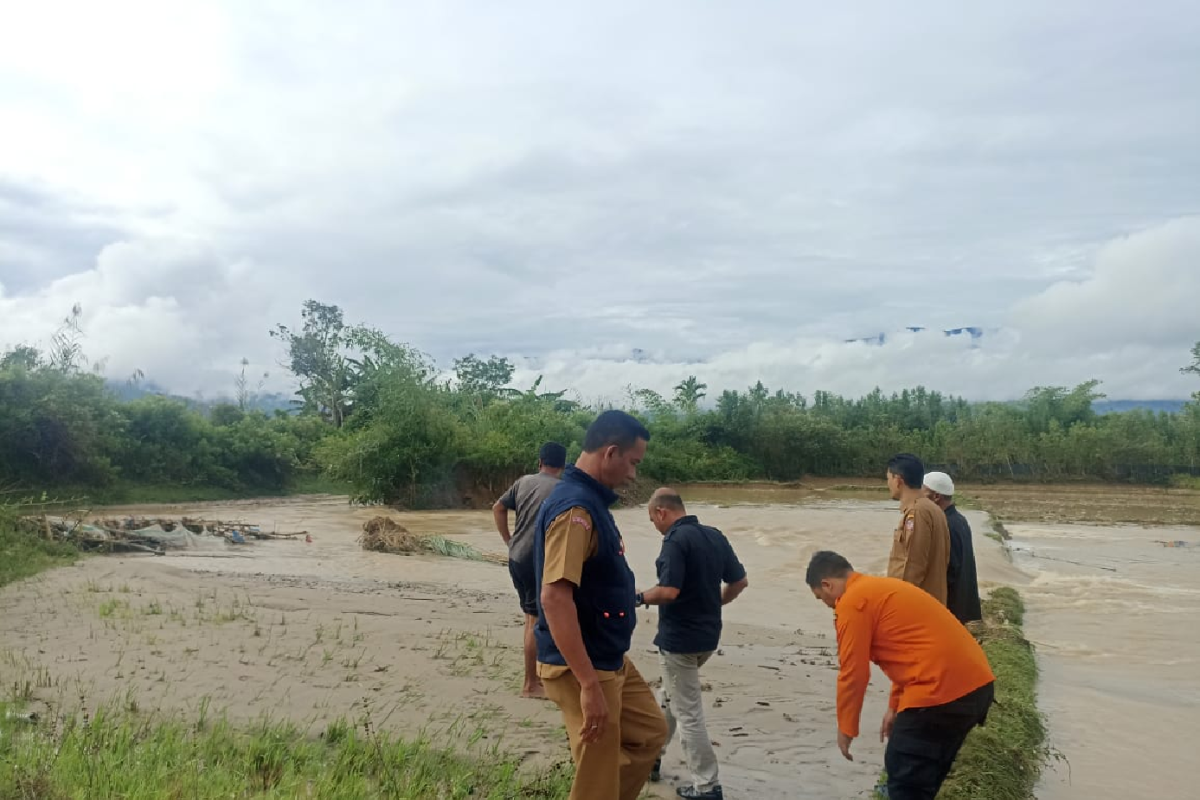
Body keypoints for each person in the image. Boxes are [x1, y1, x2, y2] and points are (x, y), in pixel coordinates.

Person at [532, 410, 669, 800]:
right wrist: (588, 684)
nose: (633, 475)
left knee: (650, 733)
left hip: (608, 656)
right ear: (610, 453)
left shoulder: (591, 503)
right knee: (598, 767)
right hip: (583, 666)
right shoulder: (575, 510)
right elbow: (554, 598)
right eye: (633, 463)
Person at [806, 550, 995, 800]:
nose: (827, 605)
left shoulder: (852, 603)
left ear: (827, 584)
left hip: (941, 692)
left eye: (821, 598)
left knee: (904, 773)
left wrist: (846, 728)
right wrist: (895, 706)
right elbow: (909, 653)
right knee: (923, 778)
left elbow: (854, 673)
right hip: (975, 687)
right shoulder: (880, 588)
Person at [636, 488, 748, 800]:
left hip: (679, 640)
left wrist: (638, 597)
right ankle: (651, 759)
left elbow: (668, 591)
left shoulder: (675, 540)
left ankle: (707, 786)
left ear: (662, 512)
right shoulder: (714, 536)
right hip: (708, 637)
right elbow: (739, 581)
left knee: (688, 714)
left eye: (652, 520)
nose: (655, 526)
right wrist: (716, 604)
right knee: (671, 698)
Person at [492, 441, 568, 698]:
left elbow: (498, 508)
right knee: (535, 620)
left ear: (539, 463)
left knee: (530, 617)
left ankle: (537, 678)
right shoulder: (563, 489)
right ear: (564, 466)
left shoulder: (523, 482)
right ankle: (530, 684)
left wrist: (508, 540)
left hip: (516, 557)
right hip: (537, 561)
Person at [885, 453, 951, 605]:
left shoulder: (917, 512)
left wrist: (896, 603)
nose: (888, 484)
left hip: (915, 606)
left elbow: (912, 565)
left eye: (888, 479)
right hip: (929, 602)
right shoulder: (933, 509)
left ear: (898, 480)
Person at [922, 471, 983, 625]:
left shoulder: (945, 524)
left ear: (936, 497)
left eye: (922, 493)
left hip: (951, 606)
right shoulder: (959, 519)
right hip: (963, 603)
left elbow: (949, 570)